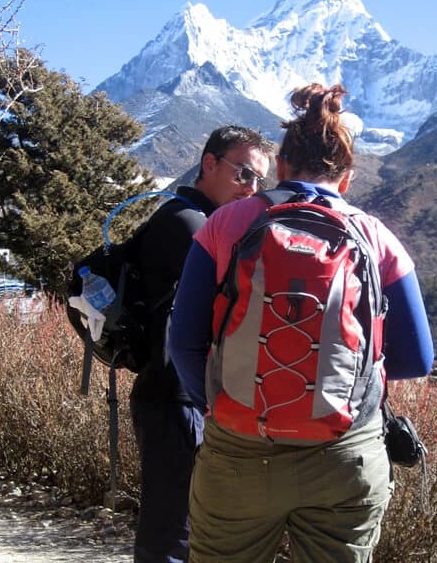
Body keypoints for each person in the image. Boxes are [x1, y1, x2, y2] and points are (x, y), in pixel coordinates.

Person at [168, 84, 434, 563]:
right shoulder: (376, 236)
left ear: (282, 167)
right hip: (346, 452)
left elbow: (183, 342)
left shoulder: (224, 224)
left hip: (238, 451)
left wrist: (227, 410)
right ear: (347, 177)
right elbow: (417, 358)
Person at [129, 125, 274, 563]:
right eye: (243, 173)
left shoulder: (185, 216)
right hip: (175, 399)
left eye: (258, 181)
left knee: (176, 524)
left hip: (169, 396)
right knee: (173, 531)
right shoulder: (193, 227)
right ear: (209, 163)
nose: (250, 188)